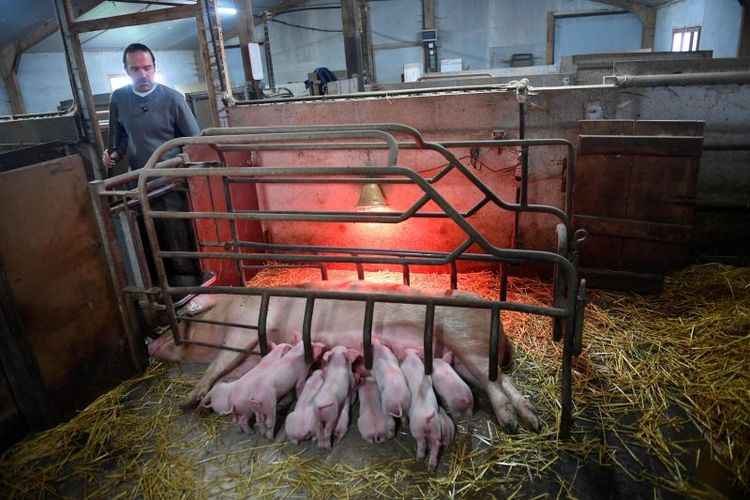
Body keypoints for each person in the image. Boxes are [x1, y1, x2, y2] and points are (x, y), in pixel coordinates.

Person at [102, 43, 200, 171]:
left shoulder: (174, 99)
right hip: (139, 175)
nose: (143, 75)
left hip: (172, 177)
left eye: (147, 68)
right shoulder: (118, 98)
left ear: (154, 67)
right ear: (126, 70)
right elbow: (122, 136)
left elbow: (195, 141)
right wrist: (112, 154)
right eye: (135, 69)